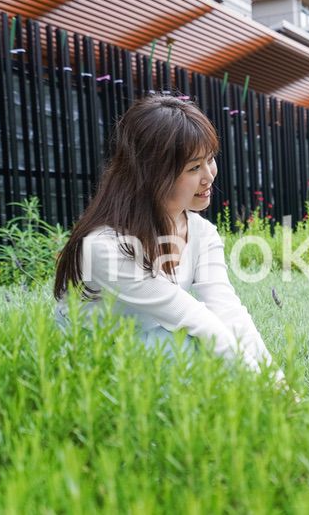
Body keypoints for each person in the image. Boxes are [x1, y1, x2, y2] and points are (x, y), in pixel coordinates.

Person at [53, 94, 284, 383]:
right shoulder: (107, 246)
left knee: (212, 355)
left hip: (156, 334)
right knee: (205, 359)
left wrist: (279, 384)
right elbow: (196, 319)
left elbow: (227, 310)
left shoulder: (202, 232)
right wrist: (272, 392)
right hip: (95, 353)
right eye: (193, 168)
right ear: (153, 175)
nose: (208, 176)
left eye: (210, 159)